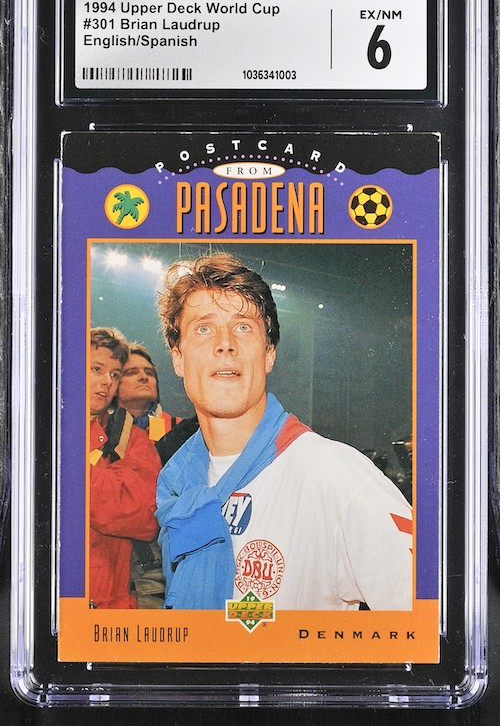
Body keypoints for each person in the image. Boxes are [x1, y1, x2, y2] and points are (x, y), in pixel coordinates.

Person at [155, 254, 413, 611]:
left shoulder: (335, 475)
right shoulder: (179, 483)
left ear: (269, 354)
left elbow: (429, 624)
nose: (225, 343)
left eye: (243, 327)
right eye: (203, 328)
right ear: (178, 358)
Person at [113, 342, 198, 607]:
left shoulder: (184, 430)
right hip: (115, 559)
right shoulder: (95, 434)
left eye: (149, 372)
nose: (144, 377)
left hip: (169, 554)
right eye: (132, 372)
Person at [88, 327, 161, 609]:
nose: (107, 381)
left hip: (111, 602)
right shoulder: (36, 428)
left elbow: (143, 514)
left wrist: (71, 473)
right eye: (96, 369)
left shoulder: (131, 438)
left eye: (115, 374)